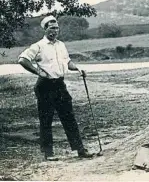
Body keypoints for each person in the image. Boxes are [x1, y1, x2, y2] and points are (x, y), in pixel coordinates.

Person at [18, 15, 94, 161]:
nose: (54, 31)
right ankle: (48, 153)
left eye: (56, 28)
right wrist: (37, 71)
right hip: (44, 86)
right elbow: (22, 59)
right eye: (51, 28)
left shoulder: (61, 45)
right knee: (46, 120)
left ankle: (80, 149)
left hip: (60, 84)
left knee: (69, 117)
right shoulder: (38, 46)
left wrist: (78, 69)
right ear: (45, 29)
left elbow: (68, 62)